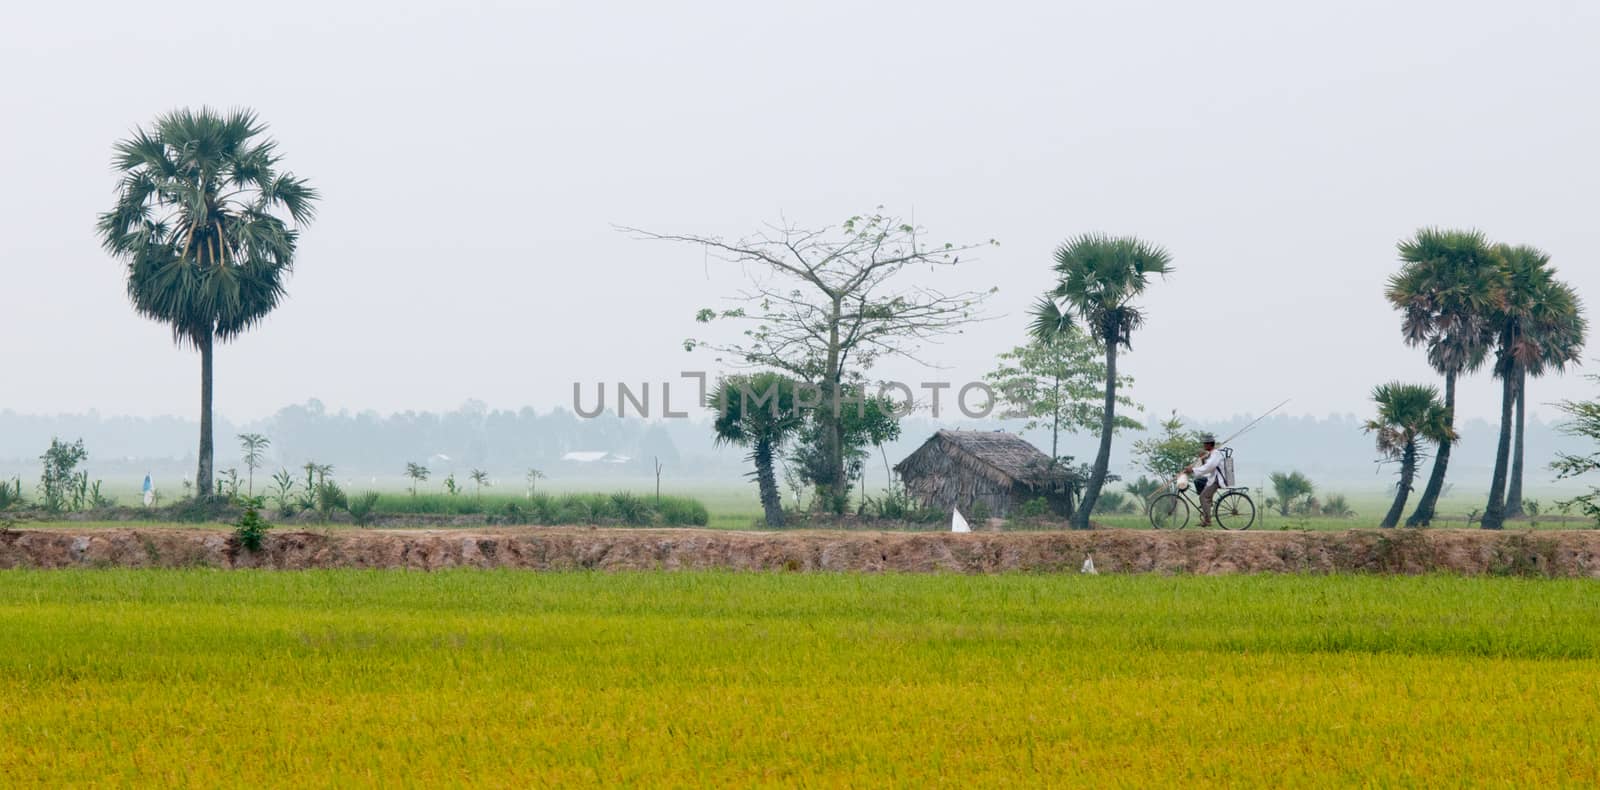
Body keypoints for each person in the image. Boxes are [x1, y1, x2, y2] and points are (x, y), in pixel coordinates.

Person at [1183, 434, 1228, 526]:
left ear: (1209, 444)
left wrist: (1192, 470)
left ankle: (1207, 520)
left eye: (1205, 444)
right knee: (1198, 481)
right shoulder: (1212, 454)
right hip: (1213, 477)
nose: (1204, 445)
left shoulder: (1216, 454)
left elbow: (1208, 467)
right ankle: (1207, 504)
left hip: (1217, 479)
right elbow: (1205, 465)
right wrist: (1200, 460)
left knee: (1203, 497)